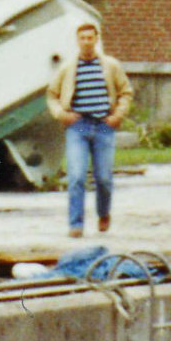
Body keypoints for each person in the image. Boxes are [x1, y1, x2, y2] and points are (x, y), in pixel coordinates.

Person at [47, 22, 134, 238]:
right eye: (82, 38)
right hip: (78, 127)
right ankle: (75, 224)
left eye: (90, 38)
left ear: (96, 39)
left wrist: (117, 116)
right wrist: (61, 114)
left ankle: (103, 213)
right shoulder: (68, 68)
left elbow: (126, 92)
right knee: (76, 176)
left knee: (103, 178)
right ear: (77, 41)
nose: (86, 42)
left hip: (103, 126)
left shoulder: (110, 65)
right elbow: (52, 95)